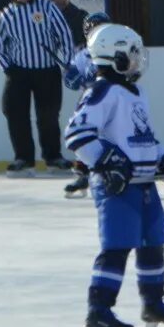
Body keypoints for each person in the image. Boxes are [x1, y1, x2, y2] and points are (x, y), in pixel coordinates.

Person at [62, 22, 164, 327]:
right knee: (117, 246)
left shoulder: (135, 93)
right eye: (132, 54)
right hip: (117, 187)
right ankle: (99, 309)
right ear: (116, 57)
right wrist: (107, 161)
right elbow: (77, 133)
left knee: (153, 243)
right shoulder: (102, 91)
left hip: (144, 182)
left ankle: (152, 303)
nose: (138, 60)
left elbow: (145, 140)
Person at [0, 0, 74, 176]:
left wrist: (66, 62)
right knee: (15, 114)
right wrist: (8, 68)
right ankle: (23, 158)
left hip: (47, 71)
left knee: (47, 116)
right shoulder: (7, 14)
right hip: (18, 73)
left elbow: (64, 33)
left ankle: (53, 158)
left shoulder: (46, 7)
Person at [61, 10, 111, 197]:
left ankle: (113, 170)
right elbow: (72, 80)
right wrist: (71, 77)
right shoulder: (82, 54)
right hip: (89, 101)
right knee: (84, 133)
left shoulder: (116, 49)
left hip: (112, 99)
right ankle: (83, 174)